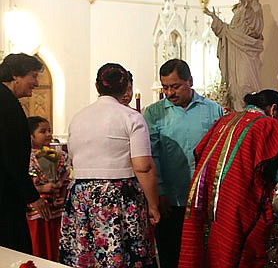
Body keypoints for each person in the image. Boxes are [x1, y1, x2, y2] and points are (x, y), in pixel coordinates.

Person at [60, 63, 160, 267]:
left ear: (98, 87)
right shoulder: (130, 117)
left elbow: (73, 157)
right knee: (120, 255)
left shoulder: (78, 117)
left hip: (81, 195)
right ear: (128, 89)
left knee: (85, 253)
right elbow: (143, 166)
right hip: (117, 195)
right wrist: (153, 204)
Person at [178, 90, 278, 268]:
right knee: (235, 248)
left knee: (206, 247)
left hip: (205, 192)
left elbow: (199, 151)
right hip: (238, 195)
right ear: (273, 109)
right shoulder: (268, 124)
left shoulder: (225, 119)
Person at [143, 58, 224, 268]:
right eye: (165, 87)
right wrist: (159, 192)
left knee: (203, 255)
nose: (170, 93)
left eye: (175, 86)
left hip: (203, 197)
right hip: (170, 199)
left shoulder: (212, 110)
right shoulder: (154, 112)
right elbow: (153, 155)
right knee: (171, 255)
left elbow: (219, 152)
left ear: (190, 81)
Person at [0, 53, 51, 254]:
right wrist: (32, 196)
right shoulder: (7, 104)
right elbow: (11, 156)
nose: (36, 83)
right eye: (33, 76)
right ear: (15, 75)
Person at [204, 0, 264, 111]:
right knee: (234, 87)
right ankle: (237, 116)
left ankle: (249, 115)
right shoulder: (237, 11)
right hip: (234, 52)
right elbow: (228, 31)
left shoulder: (254, 6)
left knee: (245, 84)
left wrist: (249, 11)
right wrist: (215, 19)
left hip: (247, 52)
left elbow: (256, 28)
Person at [26, 116, 70, 261]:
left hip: (55, 210)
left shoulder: (57, 155)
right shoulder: (26, 157)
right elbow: (22, 183)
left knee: (55, 246)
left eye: (49, 130)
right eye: (42, 131)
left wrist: (61, 196)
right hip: (36, 209)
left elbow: (64, 181)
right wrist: (43, 188)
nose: (48, 134)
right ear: (30, 136)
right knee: (39, 246)